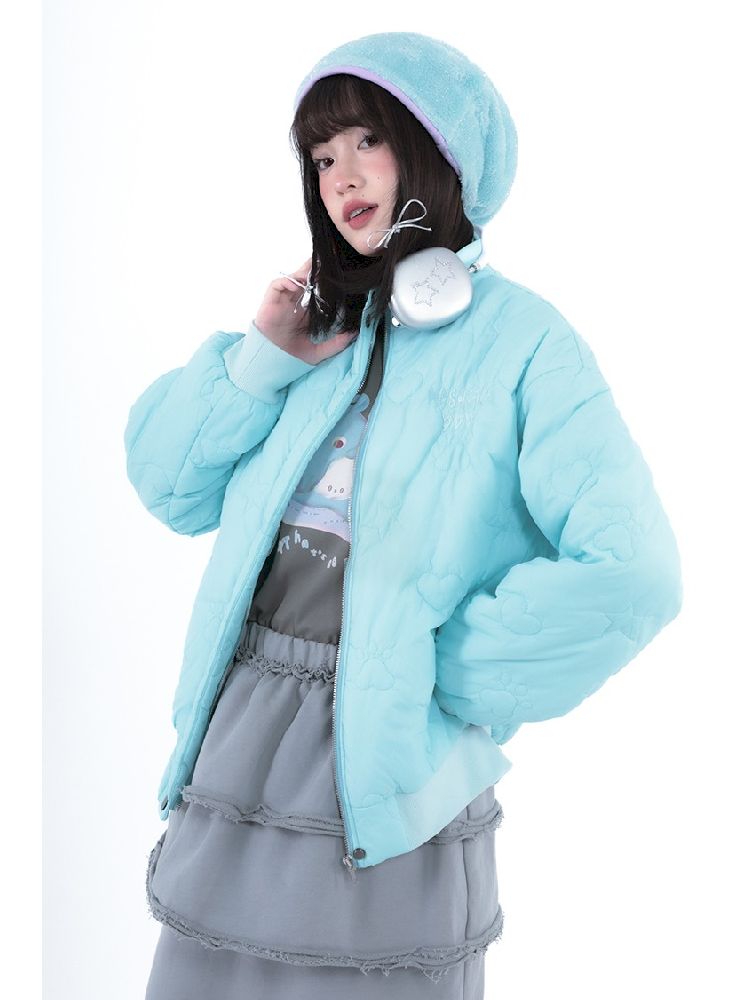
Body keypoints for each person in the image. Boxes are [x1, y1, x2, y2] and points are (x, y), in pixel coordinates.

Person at [126, 31, 683, 1000]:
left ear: (436, 150)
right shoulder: (314, 330)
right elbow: (168, 486)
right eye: (320, 156)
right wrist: (260, 359)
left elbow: (633, 573)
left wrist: (439, 675)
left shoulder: (527, 342)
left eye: (365, 141)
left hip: (384, 773)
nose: (340, 174)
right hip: (243, 744)